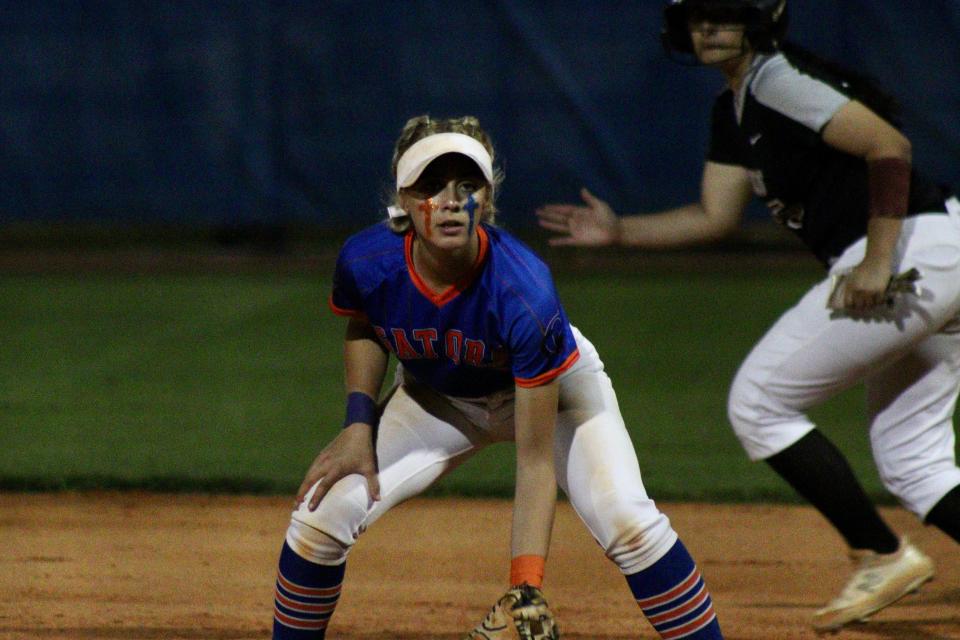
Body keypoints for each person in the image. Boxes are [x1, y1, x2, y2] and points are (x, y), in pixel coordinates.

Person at [537, 0, 960, 632]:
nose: (705, 28)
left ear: (763, 17)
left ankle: (879, 551)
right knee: (913, 460)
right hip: (935, 254)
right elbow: (714, 216)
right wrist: (620, 230)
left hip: (910, 251)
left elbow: (887, 146)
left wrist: (876, 262)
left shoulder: (776, 80)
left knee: (760, 401)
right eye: (696, 16)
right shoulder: (733, 108)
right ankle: (883, 547)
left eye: (723, 14)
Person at [271, 114, 725, 639]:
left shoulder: (523, 291)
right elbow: (367, 325)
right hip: (435, 401)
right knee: (318, 519)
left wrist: (525, 584)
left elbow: (533, 460)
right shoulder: (366, 259)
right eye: (430, 186)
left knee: (628, 523)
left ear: (486, 200)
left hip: (555, 396)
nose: (448, 200)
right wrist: (357, 424)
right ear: (402, 197)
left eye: (467, 186)